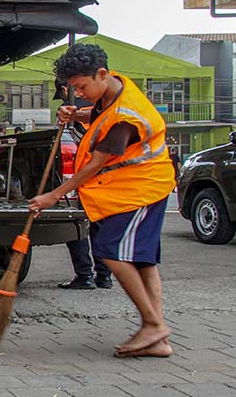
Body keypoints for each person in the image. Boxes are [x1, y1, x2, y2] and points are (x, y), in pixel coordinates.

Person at [30, 43, 176, 358]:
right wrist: (76, 114)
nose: (79, 93)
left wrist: (54, 195)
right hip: (131, 190)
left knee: (110, 250)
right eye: (74, 89)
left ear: (101, 74)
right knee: (142, 260)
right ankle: (158, 338)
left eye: (81, 87)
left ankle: (153, 325)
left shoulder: (126, 117)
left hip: (142, 190)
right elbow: (97, 115)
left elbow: (96, 162)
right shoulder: (110, 93)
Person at [52, 79, 112, 291]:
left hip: (83, 177)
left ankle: (84, 275)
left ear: (65, 89)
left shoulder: (73, 113)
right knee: (99, 226)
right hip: (105, 178)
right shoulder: (101, 104)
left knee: (77, 228)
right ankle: (104, 276)